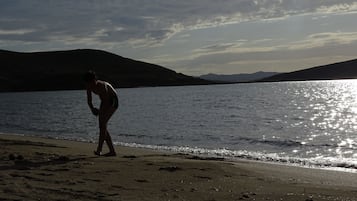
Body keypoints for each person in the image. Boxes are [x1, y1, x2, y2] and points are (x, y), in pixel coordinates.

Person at [83, 71, 118, 157]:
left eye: (92, 82)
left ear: (95, 80)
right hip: (104, 101)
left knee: (103, 125)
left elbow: (108, 101)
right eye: (89, 83)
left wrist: (102, 113)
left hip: (112, 100)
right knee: (102, 126)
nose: (91, 85)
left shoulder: (102, 86)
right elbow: (89, 100)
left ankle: (99, 149)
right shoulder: (88, 86)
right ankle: (112, 151)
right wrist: (92, 109)